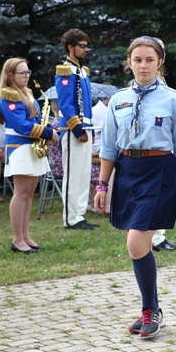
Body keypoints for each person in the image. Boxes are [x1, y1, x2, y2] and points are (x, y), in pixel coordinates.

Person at [94, 36, 176, 339]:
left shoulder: (173, 99)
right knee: (137, 244)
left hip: (160, 172)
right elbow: (109, 147)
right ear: (129, 62)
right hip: (127, 172)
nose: (143, 65)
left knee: (136, 243)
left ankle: (150, 310)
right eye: (137, 59)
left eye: (149, 59)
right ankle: (152, 308)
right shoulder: (119, 100)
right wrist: (102, 184)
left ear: (160, 62)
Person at [0, 58, 58, 253]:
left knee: (29, 193)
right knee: (21, 193)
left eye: (28, 72)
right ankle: (17, 239)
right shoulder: (9, 95)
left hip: (31, 146)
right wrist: (47, 133)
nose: (27, 76)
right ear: (10, 75)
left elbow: (36, 119)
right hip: (19, 147)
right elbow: (21, 125)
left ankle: (25, 235)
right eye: (22, 73)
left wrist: (46, 128)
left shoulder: (27, 93)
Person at [55, 29, 97, 230]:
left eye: (86, 45)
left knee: (83, 173)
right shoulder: (65, 70)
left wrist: (88, 128)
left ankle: (79, 214)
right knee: (73, 173)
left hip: (85, 126)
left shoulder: (81, 70)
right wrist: (77, 128)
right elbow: (65, 103)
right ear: (70, 47)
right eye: (82, 46)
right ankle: (70, 218)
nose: (85, 49)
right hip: (73, 129)